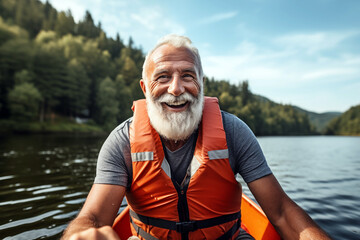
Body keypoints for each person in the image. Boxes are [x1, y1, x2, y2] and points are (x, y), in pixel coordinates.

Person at [62, 34, 331, 240]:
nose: (176, 89)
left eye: (188, 76)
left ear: (201, 84)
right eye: (163, 77)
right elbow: (94, 218)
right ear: (145, 88)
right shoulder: (122, 142)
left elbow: (281, 211)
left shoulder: (234, 132)